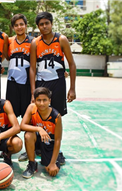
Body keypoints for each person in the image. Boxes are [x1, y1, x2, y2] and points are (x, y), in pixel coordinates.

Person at [19, 11, 77, 164]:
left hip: (57, 83)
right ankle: (33, 147)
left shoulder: (61, 39)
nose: (44, 26)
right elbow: (32, 68)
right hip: (41, 83)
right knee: (35, 115)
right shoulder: (35, 43)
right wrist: (33, 91)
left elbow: (71, 64)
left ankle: (55, 150)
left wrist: (72, 88)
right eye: (41, 24)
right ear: (38, 27)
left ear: (51, 24)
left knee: (55, 117)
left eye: (47, 23)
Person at [21, 87, 63, 178]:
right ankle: (32, 164)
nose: (41, 103)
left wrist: (52, 163)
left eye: (45, 100)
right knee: (28, 135)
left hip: (48, 141)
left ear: (49, 101)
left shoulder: (56, 116)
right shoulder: (32, 108)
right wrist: (39, 129)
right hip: (37, 138)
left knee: (51, 171)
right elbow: (22, 126)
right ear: (34, 101)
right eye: (38, 100)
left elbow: (58, 140)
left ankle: (57, 155)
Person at [6, 13, 33, 118]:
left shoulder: (33, 41)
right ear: (13, 28)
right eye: (16, 25)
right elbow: (7, 57)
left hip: (26, 83)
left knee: (28, 115)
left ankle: (29, 134)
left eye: (21, 24)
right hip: (12, 82)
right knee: (11, 114)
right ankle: (13, 134)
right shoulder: (9, 41)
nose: (19, 27)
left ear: (26, 25)